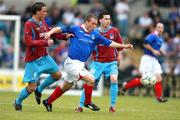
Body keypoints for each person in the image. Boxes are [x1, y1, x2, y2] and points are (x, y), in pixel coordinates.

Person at [42, 14, 133, 112]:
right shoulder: (76, 29)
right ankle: (87, 102)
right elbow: (59, 28)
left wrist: (124, 46)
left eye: (95, 24)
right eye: (93, 24)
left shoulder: (95, 34)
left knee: (65, 87)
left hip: (80, 64)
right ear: (86, 22)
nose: (94, 26)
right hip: (72, 63)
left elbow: (110, 43)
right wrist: (50, 32)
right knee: (91, 80)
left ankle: (48, 101)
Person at [14, 2, 72, 111]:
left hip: (45, 57)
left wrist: (65, 36)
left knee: (57, 74)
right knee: (30, 88)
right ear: (36, 12)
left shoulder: (43, 22)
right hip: (33, 60)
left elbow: (52, 33)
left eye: (46, 11)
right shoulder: (29, 24)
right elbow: (28, 42)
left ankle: (39, 89)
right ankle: (18, 101)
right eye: (43, 11)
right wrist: (44, 43)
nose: (46, 13)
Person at [75, 11, 123, 113]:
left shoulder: (114, 31)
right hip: (97, 63)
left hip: (111, 62)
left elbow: (119, 45)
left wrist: (120, 56)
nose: (108, 21)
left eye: (109, 19)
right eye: (106, 19)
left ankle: (112, 106)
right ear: (100, 20)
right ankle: (80, 105)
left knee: (114, 79)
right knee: (89, 81)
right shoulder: (94, 32)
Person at [122, 22, 167, 102]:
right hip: (147, 59)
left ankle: (159, 98)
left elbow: (155, 46)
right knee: (144, 80)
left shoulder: (160, 38)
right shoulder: (153, 35)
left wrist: (160, 50)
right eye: (159, 27)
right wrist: (153, 50)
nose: (160, 29)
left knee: (159, 77)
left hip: (154, 60)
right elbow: (145, 43)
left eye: (162, 28)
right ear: (156, 28)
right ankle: (126, 86)